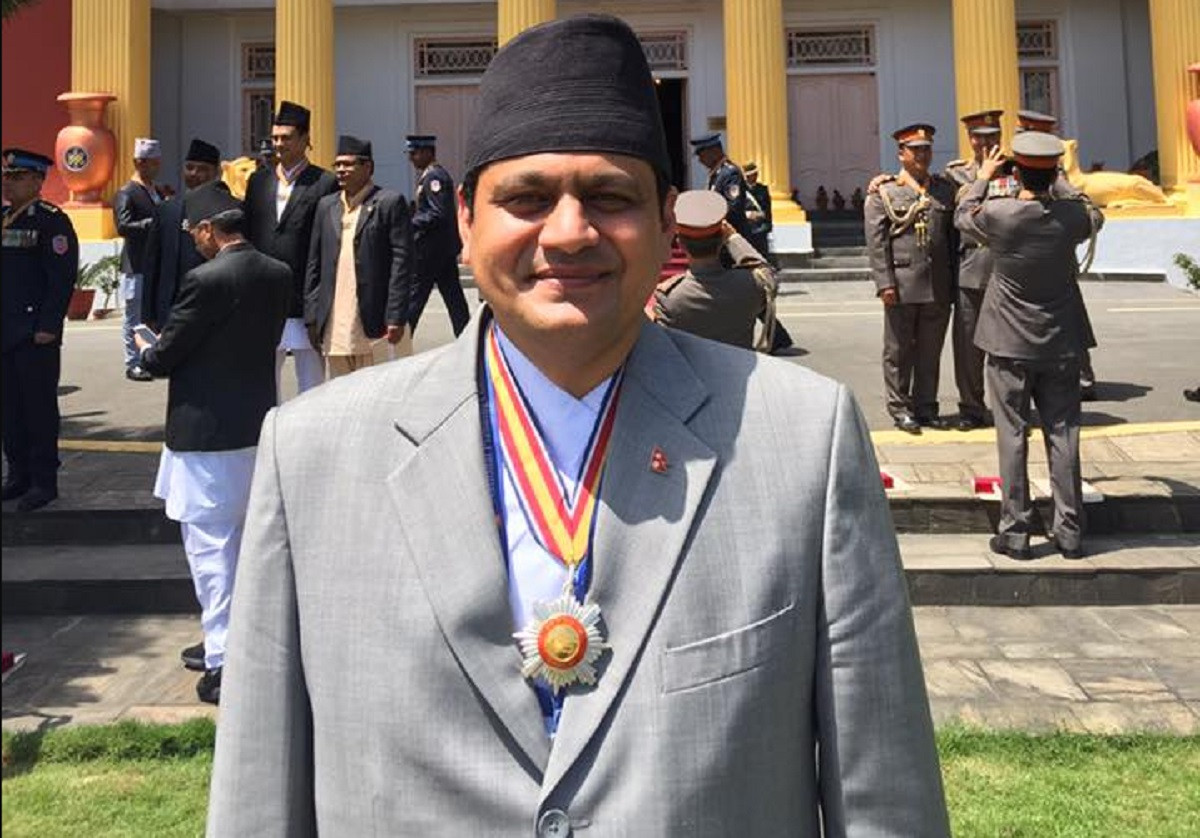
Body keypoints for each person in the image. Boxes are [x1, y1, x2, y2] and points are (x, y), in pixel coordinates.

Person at [208, 15, 948, 836]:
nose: (569, 232)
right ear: (465, 221)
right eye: (526, 198)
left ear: (666, 221)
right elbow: (257, 801)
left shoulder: (802, 441)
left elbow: (884, 801)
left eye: (610, 197)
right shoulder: (311, 454)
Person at [134, 182, 291, 703]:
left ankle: (224, 659)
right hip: (253, 427)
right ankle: (239, 642)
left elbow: (170, 353)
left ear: (207, 230)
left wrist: (147, 351)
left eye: (193, 234)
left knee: (211, 552)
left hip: (205, 436)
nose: (193, 242)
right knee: (245, 545)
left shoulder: (204, 280)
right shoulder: (277, 272)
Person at [956, 133, 1102, 561]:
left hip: (1008, 341)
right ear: (1054, 173)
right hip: (1059, 341)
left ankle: (1015, 532)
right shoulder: (1071, 216)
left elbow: (962, 216)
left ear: (1016, 172)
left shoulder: (1000, 214)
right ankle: (1070, 531)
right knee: (1063, 434)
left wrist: (983, 177)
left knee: (1013, 434)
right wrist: (1062, 181)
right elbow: (1093, 214)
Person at [864, 123, 957, 434]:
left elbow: (951, 238)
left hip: (938, 285)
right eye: (915, 150)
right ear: (901, 154)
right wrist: (885, 283)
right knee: (899, 351)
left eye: (926, 149)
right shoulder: (884, 192)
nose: (922, 155)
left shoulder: (944, 190)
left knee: (930, 351)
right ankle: (900, 408)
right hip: (902, 284)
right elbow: (877, 243)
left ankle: (927, 406)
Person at [243, 100, 338, 399]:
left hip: (304, 298)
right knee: (262, 382)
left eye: (286, 137)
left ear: (305, 139)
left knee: (311, 383)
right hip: (264, 297)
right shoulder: (259, 181)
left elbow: (328, 243)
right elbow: (248, 233)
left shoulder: (324, 182)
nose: (279, 144)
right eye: (275, 138)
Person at [1, 149, 79, 514]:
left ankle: (43, 481)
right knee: (10, 409)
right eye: (6, 176)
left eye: (17, 177)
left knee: (38, 409)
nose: (8, 183)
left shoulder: (51, 221)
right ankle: (17, 473)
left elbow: (61, 278)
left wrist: (49, 325)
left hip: (34, 333)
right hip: (6, 331)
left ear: (37, 181)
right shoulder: (5, 218)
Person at [304, 134, 415, 378]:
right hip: (335, 324)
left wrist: (396, 315)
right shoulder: (326, 206)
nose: (341, 170)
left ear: (368, 167)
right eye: (337, 165)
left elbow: (402, 263)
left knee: (380, 390)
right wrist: (312, 316)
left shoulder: (388, 203)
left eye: (348, 164)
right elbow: (314, 264)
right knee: (340, 393)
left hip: (375, 322)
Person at [1016, 109, 1100, 400]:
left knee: (1071, 318)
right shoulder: (1011, 169)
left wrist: (1060, 185)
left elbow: (1089, 217)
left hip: (1055, 261)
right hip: (1019, 260)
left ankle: (1083, 377)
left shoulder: (1057, 175)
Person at [690, 134, 796, 355]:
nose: (700, 160)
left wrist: (708, 219)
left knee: (746, 291)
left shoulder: (729, 173)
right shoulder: (717, 174)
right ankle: (776, 337)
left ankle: (776, 337)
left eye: (702, 155)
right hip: (723, 243)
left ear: (713, 151)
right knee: (739, 291)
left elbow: (733, 206)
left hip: (733, 244)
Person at [653, 190, 774, 351]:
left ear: (680, 244)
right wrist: (733, 238)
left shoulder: (670, 298)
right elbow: (764, 272)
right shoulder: (751, 285)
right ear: (722, 239)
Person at [944, 109, 1004, 431]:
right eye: (979, 137)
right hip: (971, 267)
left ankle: (1008, 408)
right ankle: (971, 407)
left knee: (1007, 346)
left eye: (992, 136)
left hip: (1007, 269)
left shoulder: (1016, 169)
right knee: (968, 346)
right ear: (969, 139)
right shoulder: (956, 174)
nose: (986, 143)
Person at [139, 138, 225, 332]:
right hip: (172, 309)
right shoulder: (166, 211)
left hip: (215, 308)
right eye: (190, 168)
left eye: (202, 169)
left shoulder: (229, 209)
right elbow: (152, 264)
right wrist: (148, 315)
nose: (194, 174)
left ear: (216, 173)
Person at [405, 134, 470, 336]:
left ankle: (400, 341)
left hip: (431, 251)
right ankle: (467, 336)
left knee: (415, 297)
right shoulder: (430, 175)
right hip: (440, 250)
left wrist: (411, 223)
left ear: (427, 152)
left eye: (414, 153)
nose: (411, 158)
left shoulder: (435, 178)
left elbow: (438, 213)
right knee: (454, 298)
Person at [114, 137, 166, 382]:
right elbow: (123, 225)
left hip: (155, 263)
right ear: (138, 163)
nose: (156, 167)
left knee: (152, 316)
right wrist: (151, 224)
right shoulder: (127, 192)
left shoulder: (156, 191)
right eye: (152, 163)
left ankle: (150, 358)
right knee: (133, 317)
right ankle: (133, 362)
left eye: (157, 162)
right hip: (135, 264)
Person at [742, 160, 773, 261]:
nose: (754, 176)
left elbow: (767, 209)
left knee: (762, 256)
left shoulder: (763, 189)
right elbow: (736, 208)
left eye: (755, 174)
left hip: (761, 228)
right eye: (752, 175)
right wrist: (747, 214)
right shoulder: (741, 190)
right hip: (747, 228)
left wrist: (768, 225)